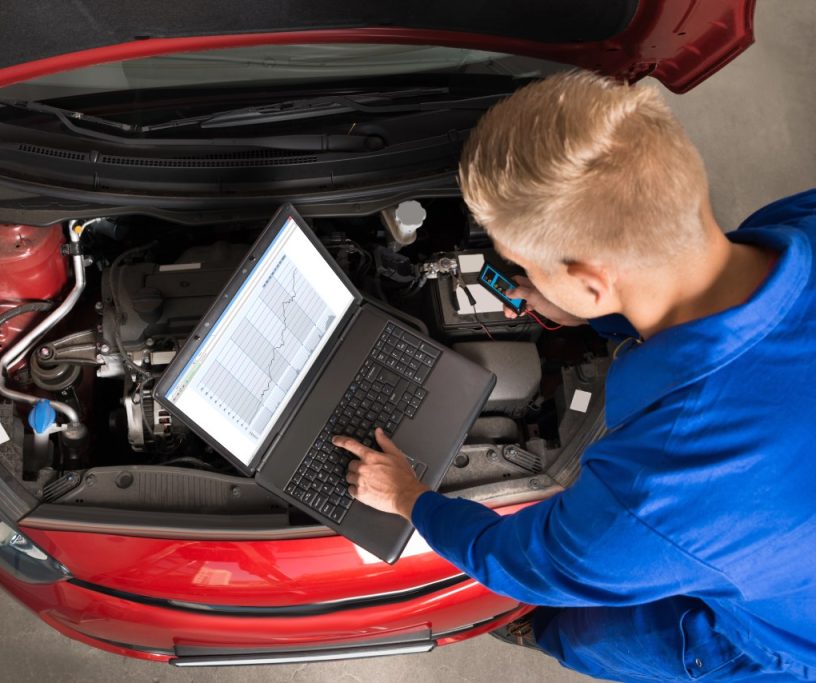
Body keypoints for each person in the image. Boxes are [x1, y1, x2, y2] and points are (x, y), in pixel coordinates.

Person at [333, 71, 816, 682]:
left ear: (592, 278)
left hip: (786, 635)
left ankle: (535, 628)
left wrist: (409, 497)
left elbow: (519, 561)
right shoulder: (807, 220)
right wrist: (604, 309)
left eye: (521, 261)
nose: (516, 272)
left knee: (596, 634)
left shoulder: (659, 487)